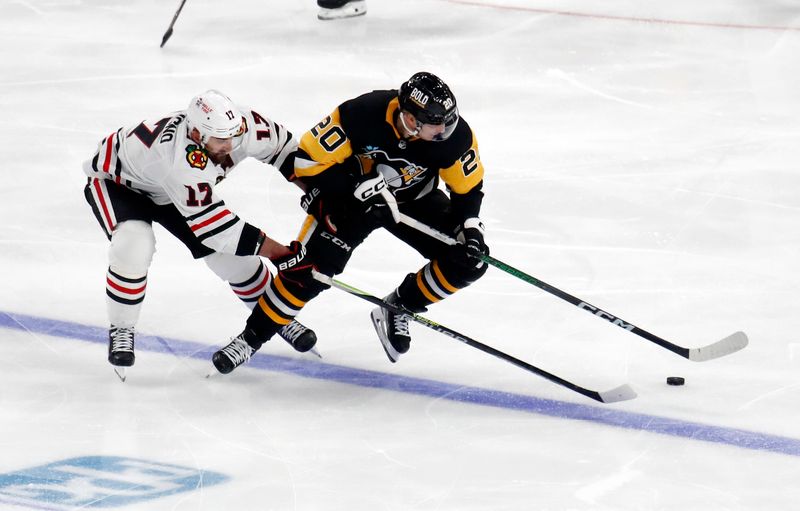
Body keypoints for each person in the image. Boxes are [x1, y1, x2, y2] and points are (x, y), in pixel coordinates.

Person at [211, 72, 489, 374]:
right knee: (310, 271)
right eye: (437, 124)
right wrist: (351, 186)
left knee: (470, 261)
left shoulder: (455, 136)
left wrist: (471, 230)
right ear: (410, 118)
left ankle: (399, 306)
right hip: (352, 202)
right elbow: (306, 161)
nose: (445, 130)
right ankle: (250, 339)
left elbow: (468, 189)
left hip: (412, 202)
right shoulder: (362, 113)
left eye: (448, 121)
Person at [83, 89, 318, 375]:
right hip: (119, 184)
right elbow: (214, 227)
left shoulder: (244, 126)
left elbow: (286, 151)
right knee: (133, 246)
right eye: (221, 139)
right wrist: (278, 251)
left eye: (234, 134)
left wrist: (315, 193)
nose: (230, 145)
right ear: (196, 134)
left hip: (172, 190)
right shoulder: (177, 159)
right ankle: (121, 327)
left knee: (234, 261)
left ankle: (273, 315)